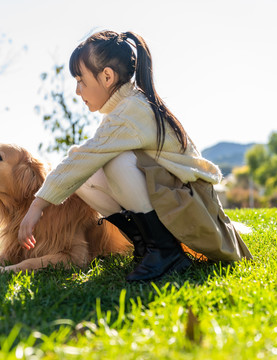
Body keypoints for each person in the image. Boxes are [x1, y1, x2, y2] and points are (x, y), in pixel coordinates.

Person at [18, 31, 252, 282]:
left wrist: (37, 205)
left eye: (81, 80)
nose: (77, 90)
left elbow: (87, 156)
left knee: (113, 162)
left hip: (193, 211)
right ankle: (147, 247)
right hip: (177, 204)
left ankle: (165, 252)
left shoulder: (132, 111)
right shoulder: (123, 109)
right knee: (87, 172)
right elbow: (83, 159)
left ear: (107, 76)